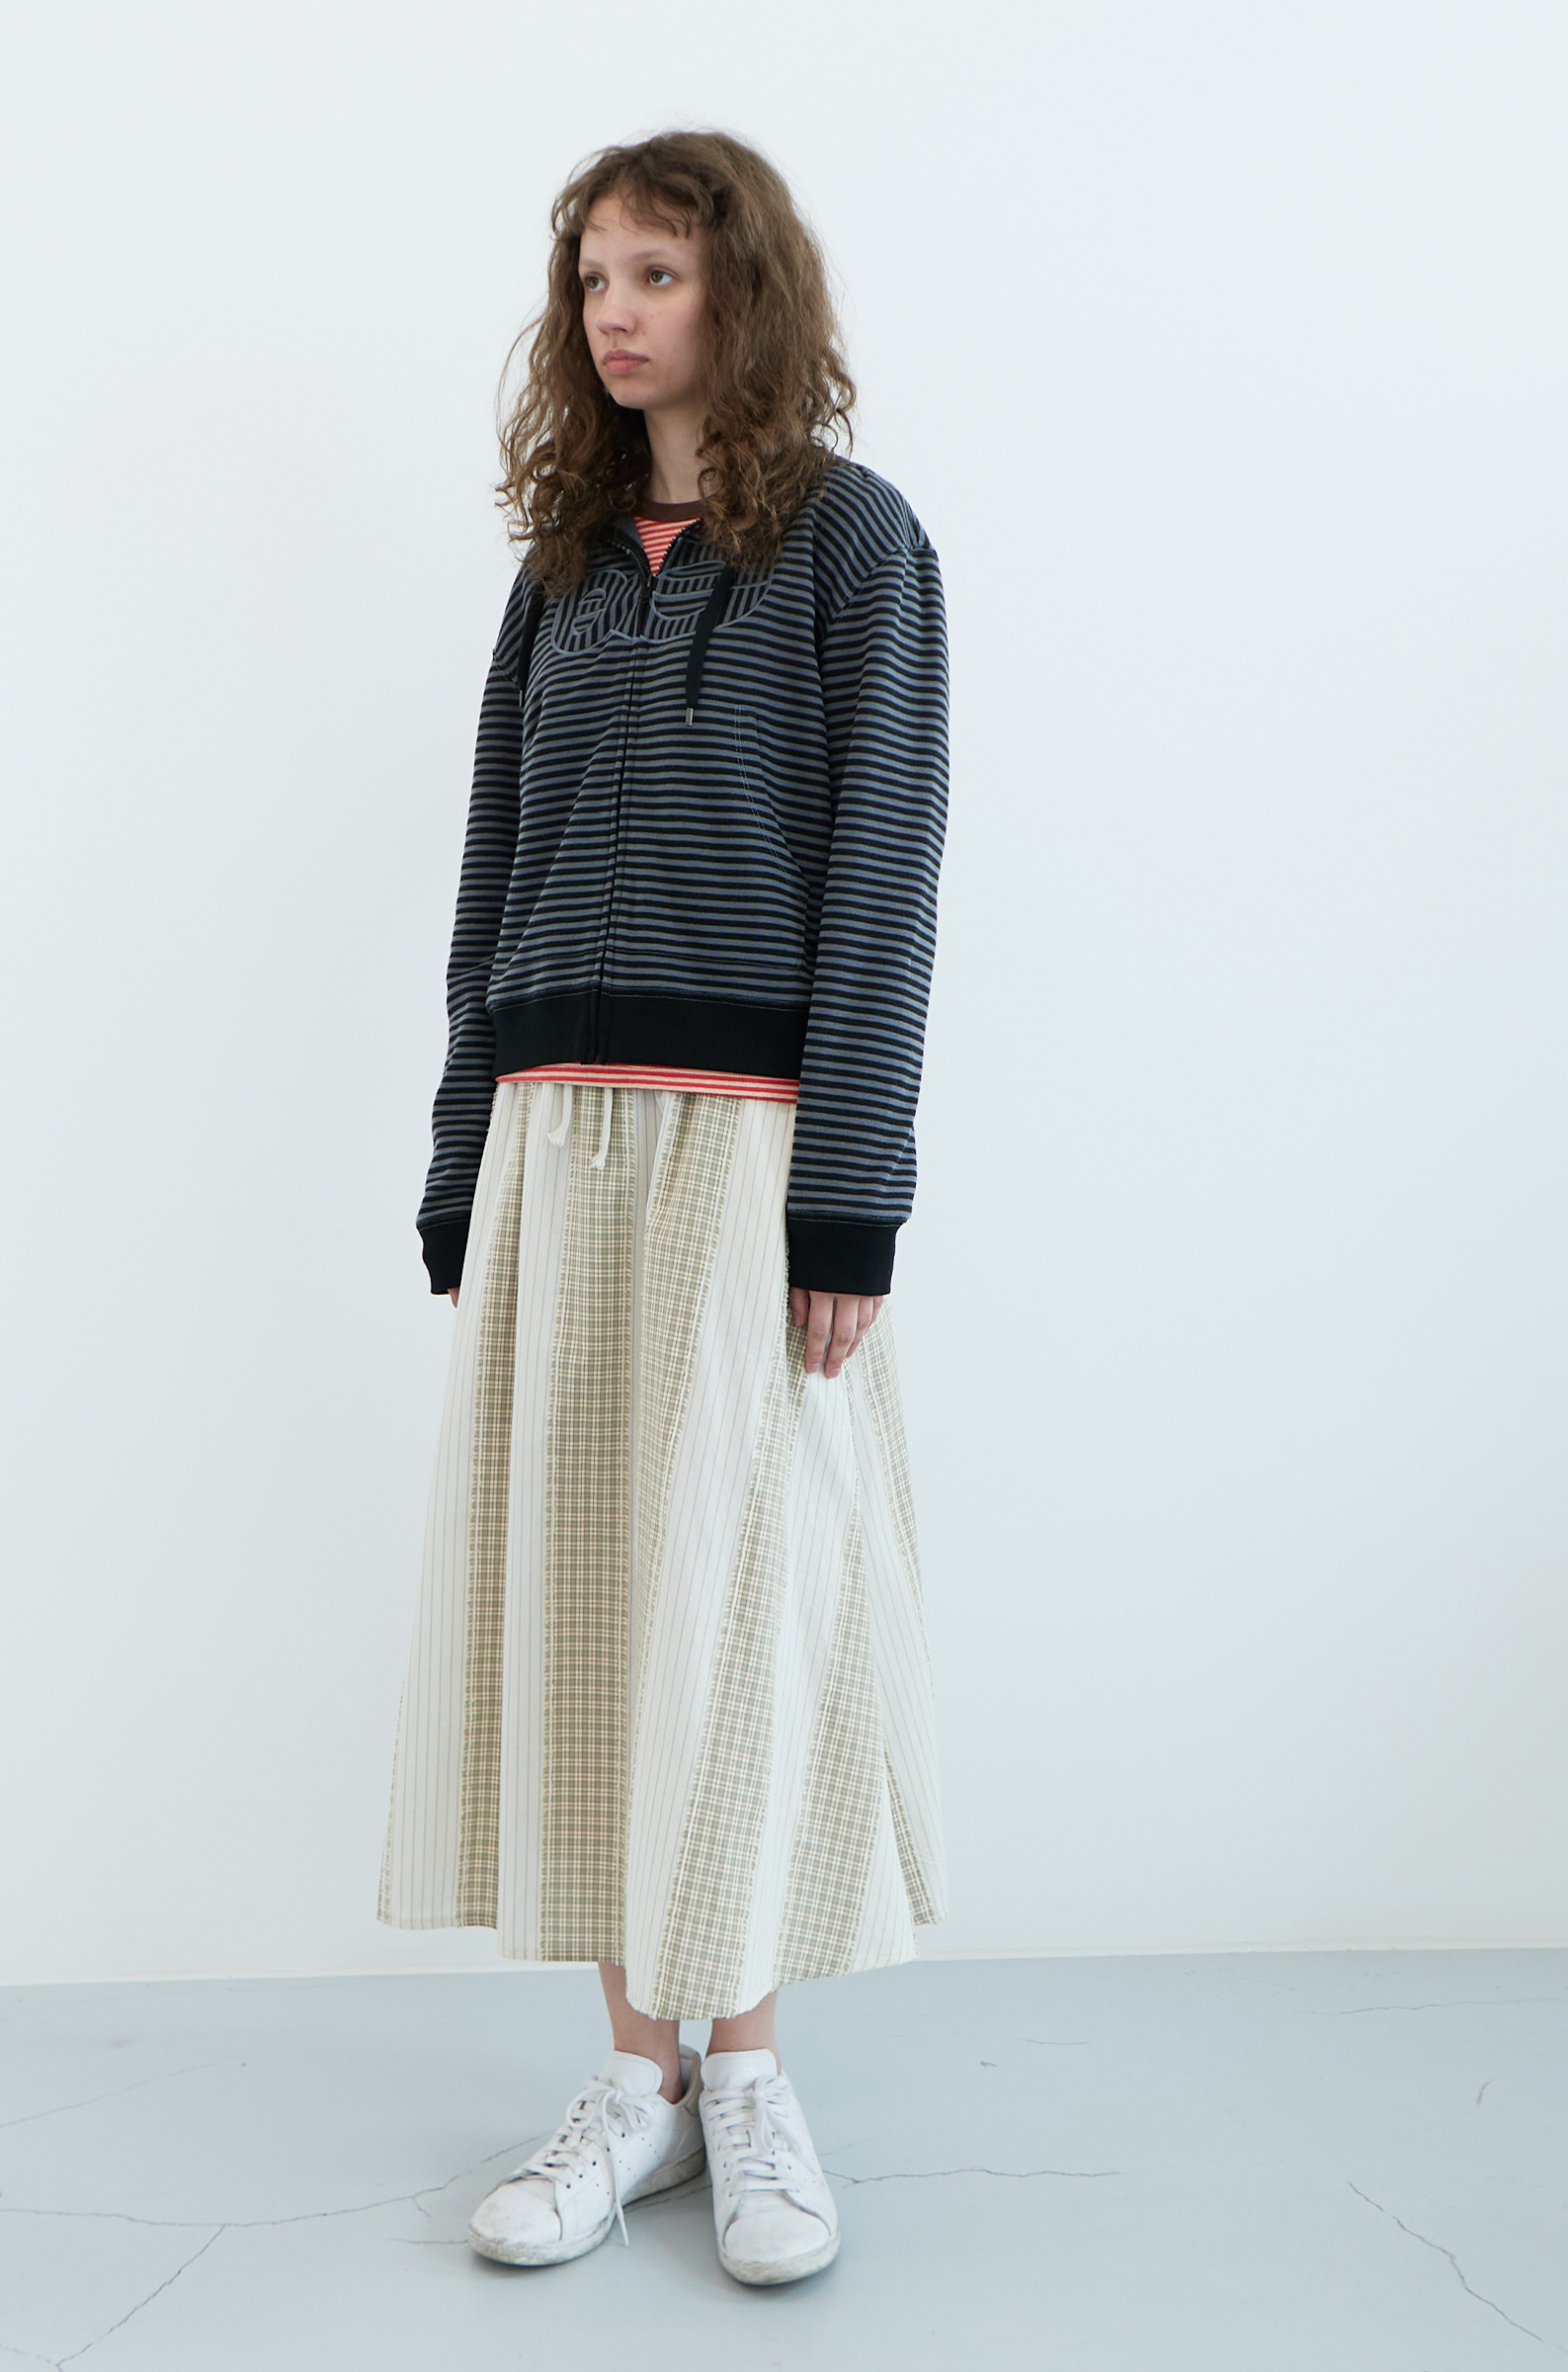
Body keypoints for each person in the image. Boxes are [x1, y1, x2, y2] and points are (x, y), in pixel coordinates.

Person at [380, 128, 949, 2287]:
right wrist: (465, 1154)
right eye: (592, 278)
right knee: (598, 1598)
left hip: (749, 1146)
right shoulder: (558, 569)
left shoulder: (857, 549)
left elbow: (885, 874)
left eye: (657, 273)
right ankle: (637, 2083)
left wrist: (852, 1195)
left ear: (743, 291)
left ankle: (751, 2073)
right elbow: (488, 888)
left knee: (743, 1592)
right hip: (558, 1134)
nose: (615, 312)